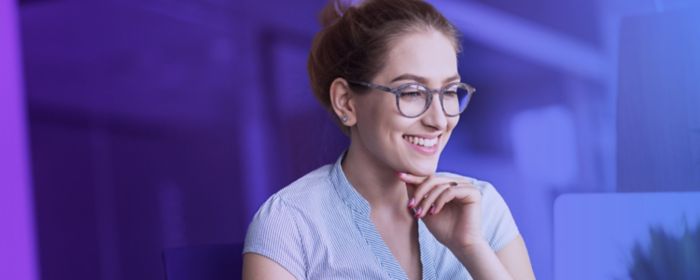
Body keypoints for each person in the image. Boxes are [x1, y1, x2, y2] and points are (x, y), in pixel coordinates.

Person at [242, 0, 535, 279]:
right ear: (346, 102)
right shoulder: (290, 222)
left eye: (449, 92)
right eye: (411, 92)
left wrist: (471, 249)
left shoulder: (483, 208)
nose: (439, 120)